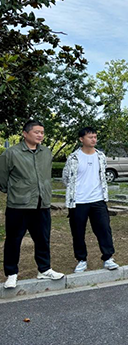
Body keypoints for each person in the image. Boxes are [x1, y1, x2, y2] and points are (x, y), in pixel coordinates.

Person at [1, 120, 64, 289]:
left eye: (42, 132)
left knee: (43, 238)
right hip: (18, 205)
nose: (40, 135)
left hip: (41, 204)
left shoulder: (46, 152)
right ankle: (11, 274)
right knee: (14, 240)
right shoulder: (11, 153)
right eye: (36, 132)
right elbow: (2, 178)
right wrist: (17, 190)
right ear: (25, 133)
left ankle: (44, 269)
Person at [63, 127, 119, 273]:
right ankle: (81, 259)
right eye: (90, 137)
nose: (93, 139)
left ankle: (108, 257)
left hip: (98, 199)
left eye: (95, 137)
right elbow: (66, 178)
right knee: (78, 232)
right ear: (81, 139)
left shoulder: (100, 156)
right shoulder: (73, 157)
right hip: (78, 201)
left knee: (104, 229)